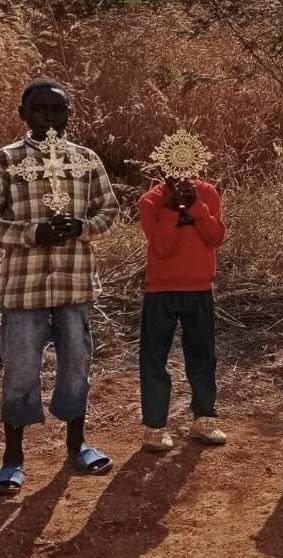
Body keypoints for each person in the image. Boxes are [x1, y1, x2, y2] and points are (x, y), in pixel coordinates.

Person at [1, 79, 120, 496]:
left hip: (74, 284)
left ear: (69, 114)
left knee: (76, 364)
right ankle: (13, 457)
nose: (49, 118)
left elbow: (109, 211)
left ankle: (77, 445)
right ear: (22, 114)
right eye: (39, 109)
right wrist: (32, 232)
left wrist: (82, 227)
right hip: (24, 287)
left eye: (58, 110)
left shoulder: (86, 160)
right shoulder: (7, 160)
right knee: (20, 368)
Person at [136, 160, 228, 452]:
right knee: (154, 358)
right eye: (172, 167)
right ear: (163, 168)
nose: (180, 174)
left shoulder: (208, 192)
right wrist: (172, 208)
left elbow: (216, 237)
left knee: (203, 355)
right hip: (160, 290)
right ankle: (154, 427)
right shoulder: (150, 200)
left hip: (199, 288)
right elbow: (162, 248)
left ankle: (204, 418)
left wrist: (196, 206)